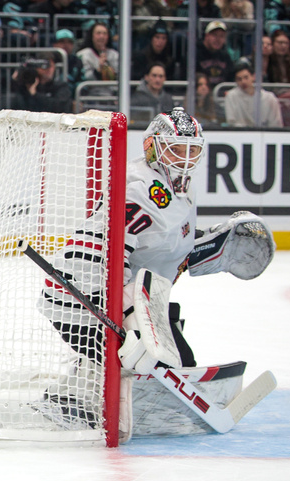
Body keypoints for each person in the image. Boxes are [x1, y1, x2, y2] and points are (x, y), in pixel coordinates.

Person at [40, 107, 275, 437]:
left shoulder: (180, 188)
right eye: (176, 148)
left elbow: (164, 246)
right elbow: (104, 251)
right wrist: (125, 317)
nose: (185, 157)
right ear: (152, 146)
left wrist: (211, 246)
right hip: (83, 298)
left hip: (131, 297)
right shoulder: (140, 189)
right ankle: (74, 400)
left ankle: (85, 384)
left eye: (192, 149)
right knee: (154, 364)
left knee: (177, 362)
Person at [225, 60, 284, 126]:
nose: (243, 82)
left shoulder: (269, 98)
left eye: (246, 77)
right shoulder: (231, 96)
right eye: (239, 79)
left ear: (253, 77)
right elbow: (231, 122)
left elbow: (276, 124)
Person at [76, 22, 119, 100]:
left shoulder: (115, 55)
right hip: (89, 96)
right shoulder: (83, 54)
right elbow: (84, 78)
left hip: (112, 95)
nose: (101, 36)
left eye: (104, 33)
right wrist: (98, 70)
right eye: (98, 33)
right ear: (92, 36)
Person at [197, 20, 235, 89]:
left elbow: (231, 78)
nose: (218, 39)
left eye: (222, 36)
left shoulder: (225, 56)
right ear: (206, 36)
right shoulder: (195, 54)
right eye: (214, 35)